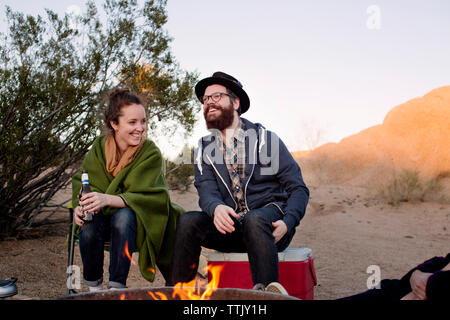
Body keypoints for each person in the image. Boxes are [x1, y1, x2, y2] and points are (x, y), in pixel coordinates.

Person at [167, 71, 310, 294]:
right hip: (232, 230)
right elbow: (206, 190)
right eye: (205, 99)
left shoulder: (266, 140)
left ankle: (266, 296)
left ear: (235, 102)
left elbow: (298, 188)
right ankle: (177, 293)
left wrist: (288, 221)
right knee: (187, 221)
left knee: (255, 218)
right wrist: (216, 208)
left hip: (270, 229)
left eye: (216, 96)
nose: (209, 103)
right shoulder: (204, 148)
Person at [71, 88, 184, 291]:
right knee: (87, 223)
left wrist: (107, 199)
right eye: (132, 122)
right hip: (101, 220)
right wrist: (79, 208)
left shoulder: (150, 153)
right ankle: (94, 289)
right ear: (114, 124)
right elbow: (84, 183)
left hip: (137, 222)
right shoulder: (98, 147)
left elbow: (151, 196)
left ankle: (116, 288)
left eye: (143, 121)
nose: (140, 128)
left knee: (123, 216)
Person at [339, 252, 450, 301]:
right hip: (404, 290)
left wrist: (430, 283)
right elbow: (443, 261)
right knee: (385, 289)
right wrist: (417, 273)